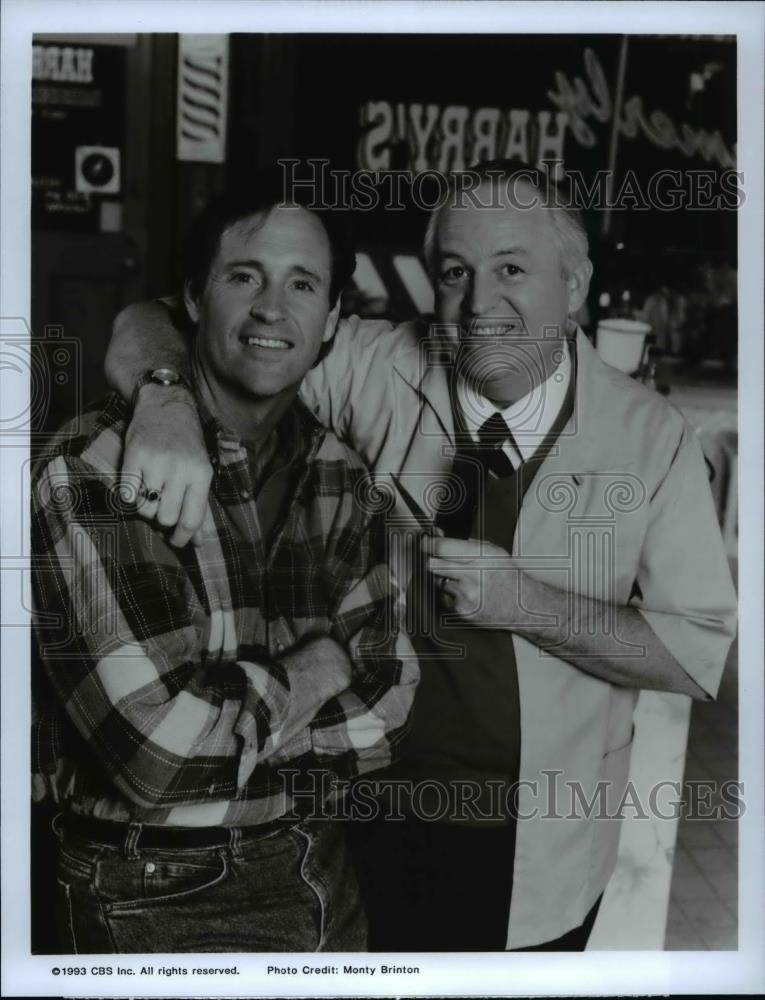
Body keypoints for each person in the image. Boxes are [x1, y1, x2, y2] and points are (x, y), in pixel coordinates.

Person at [104, 159, 737, 951]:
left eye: (512, 268)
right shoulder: (376, 362)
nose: (479, 304)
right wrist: (163, 398)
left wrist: (526, 605)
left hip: (536, 839)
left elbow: (693, 650)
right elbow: (158, 318)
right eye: (454, 272)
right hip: (355, 806)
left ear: (573, 287)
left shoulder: (651, 438)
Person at [31, 178, 418, 954]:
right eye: (244, 276)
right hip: (145, 894)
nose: (273, 307)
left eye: (302, 284)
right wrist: (317, 668)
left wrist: (229, 722)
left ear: (334, 317)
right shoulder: (95, 471)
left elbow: (389, 711)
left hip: (322, 873)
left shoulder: (341, 472)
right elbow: (159, 759)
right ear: (193, 298)